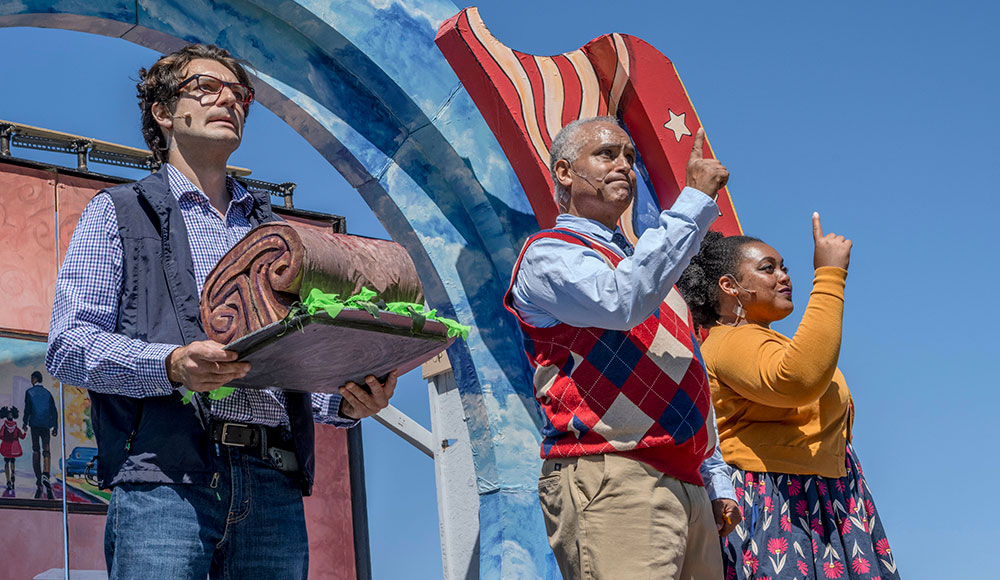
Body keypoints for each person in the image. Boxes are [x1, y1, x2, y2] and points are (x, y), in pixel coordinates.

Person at [46, 44, 396, 579]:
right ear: (164, 113)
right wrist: (171, 365)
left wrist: (348, 400)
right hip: (164, 481)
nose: (228, 100)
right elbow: (69, 346)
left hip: (273, 482)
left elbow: (293, 368)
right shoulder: (118, 212)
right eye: (206, 88)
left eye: (239, 94)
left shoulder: (276, 235)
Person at [504, 116, 739, 579]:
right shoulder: (548, 253)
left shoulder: (648, 268)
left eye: (629, 156)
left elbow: (687, 369)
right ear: (564, 172)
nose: (624, 166)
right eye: (606, 154)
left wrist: (714, 477)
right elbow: (620, 301)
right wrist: (694, 201)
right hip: (613, 474)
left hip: (686, 485)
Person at [676, 215, 899, 579]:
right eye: (768, 269)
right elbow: (798, 379)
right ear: (729, 286)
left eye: (784, 268)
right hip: (778, 502)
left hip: (820, 499)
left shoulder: (766, 341)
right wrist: (829, 277)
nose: (784, 277)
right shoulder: (730, 341)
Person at [23, 370, 58, 499]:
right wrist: (55, 426)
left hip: (34, 425)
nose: (31, 381)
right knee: (46, 450)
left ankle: (39, 479)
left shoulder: (29, 392)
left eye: (32, 379)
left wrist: (24, 422)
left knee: (36, 450)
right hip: (46, 425)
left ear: (35, 379)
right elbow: (54, 411)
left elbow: (27, 409)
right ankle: (46, 474)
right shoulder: (48, 393)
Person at [0, 406, 26, 492]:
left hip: (6, 447)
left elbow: (1, 436)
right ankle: (12, 475)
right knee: (12, 462)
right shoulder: (16, 427)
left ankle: (8, 480)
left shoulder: (4, 427)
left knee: (6, 462)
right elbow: (21, 436)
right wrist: (25, 432)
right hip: (14, 448)